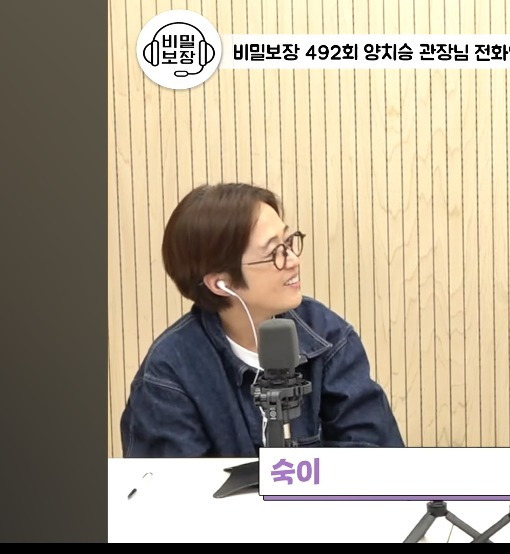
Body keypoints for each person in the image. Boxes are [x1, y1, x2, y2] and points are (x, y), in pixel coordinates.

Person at [120, 183, 405, 457]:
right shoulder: (169, 373)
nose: (293, 260)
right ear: (221, 284)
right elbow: (175, 486)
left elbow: (375, 461)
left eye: (289, 242)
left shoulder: (327, 335)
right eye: (274, 253)